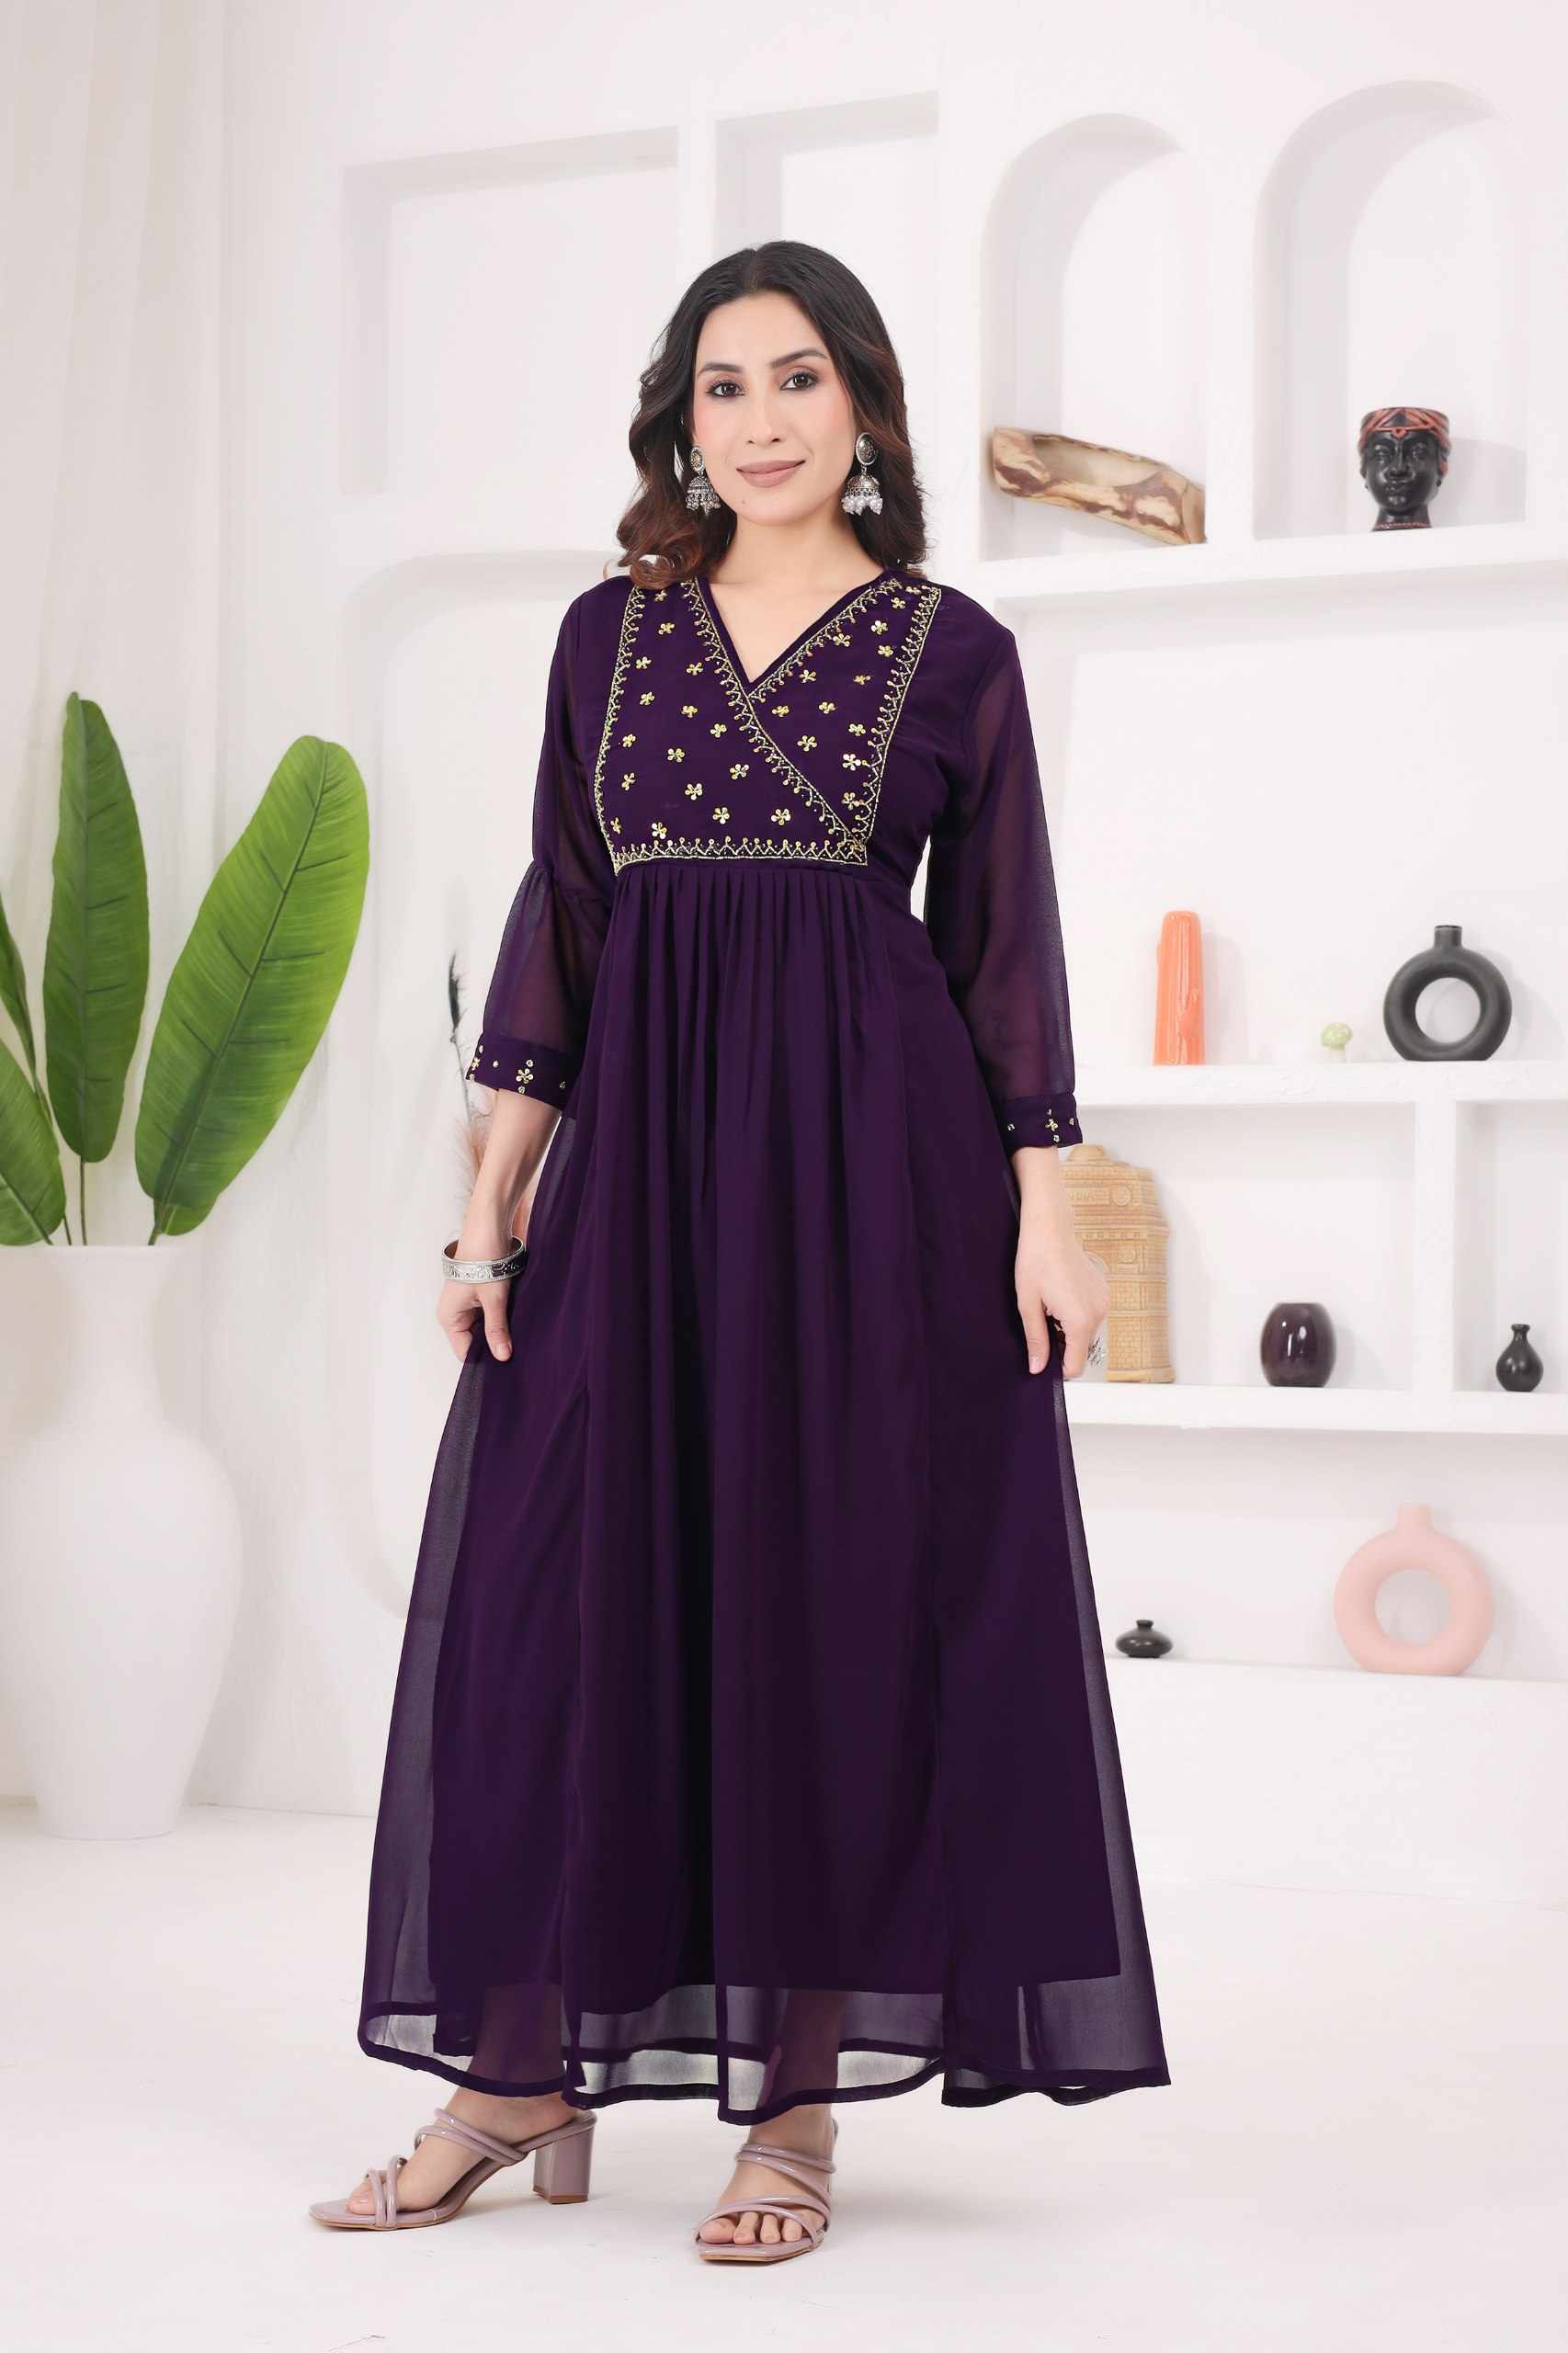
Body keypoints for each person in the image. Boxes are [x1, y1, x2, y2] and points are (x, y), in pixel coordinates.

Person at [310, 240, 1169, 2266]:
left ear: (860, 405)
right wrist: (489, 1203)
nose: (762, 419)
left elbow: (1006, 952)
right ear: (679, 421)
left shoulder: (952, 650)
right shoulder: (610, 636)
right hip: (643, 1176)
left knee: (831, 1607)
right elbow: (563, 918)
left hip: (879, 1185)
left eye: (797, 379)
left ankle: (791, 2107)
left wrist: (1046, 1212)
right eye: (723, 385)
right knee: (559, 1601)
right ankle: (518, 2073)